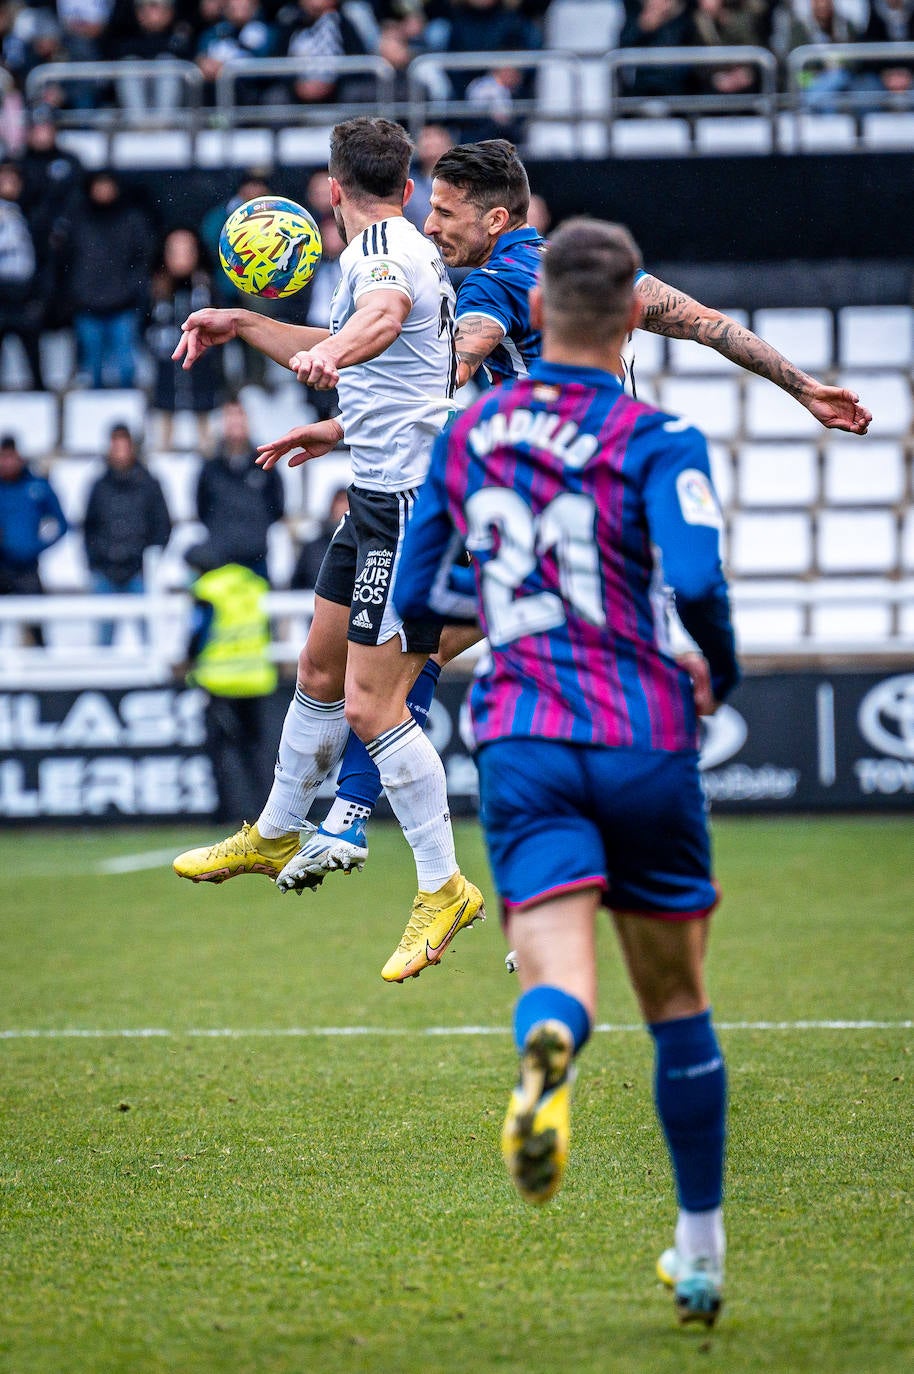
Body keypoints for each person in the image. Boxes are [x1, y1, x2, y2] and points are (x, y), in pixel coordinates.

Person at [261, 136, 871, 893]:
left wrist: (341, 419)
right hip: (617, 511)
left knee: (452, 676)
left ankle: (504, 864)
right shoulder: (588, 273)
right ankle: (353, 818)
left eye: (445, 214)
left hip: (558, 523)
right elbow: (708, 323)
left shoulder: (484, 291)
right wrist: (805, 387)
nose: (429, 228)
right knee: (424, 655)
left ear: (493, 219)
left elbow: (436, 384)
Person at [394, 216, 738, 1327]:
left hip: (524, 735)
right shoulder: (660, 435)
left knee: (555, 969)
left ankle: (549, 1042)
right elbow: (696, 580)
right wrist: (713, 676)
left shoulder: (473, 432)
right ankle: (697, 1256)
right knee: (678, 1003)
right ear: (631, 315)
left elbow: (417, 601)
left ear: (534, 317)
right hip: (640, 730)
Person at [170, 116, 485, 984]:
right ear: (409, 187)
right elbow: (347, 345)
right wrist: (244, 320)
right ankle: (275, 831)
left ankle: (443, 885)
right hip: (378, 494)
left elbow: (377, 324)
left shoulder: (381, 255)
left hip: (415, 511)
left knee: (371, 707)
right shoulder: (394, 245)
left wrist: (341, 349)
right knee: (316, 671)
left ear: (331, 192)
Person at [182, 539, 279, 822]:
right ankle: (267, 809)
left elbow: (198, 632)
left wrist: (188, 660)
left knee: (221, 752)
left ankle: (227, 811)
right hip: (256, 679)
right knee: (257, 751)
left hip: (220, 682)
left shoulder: (207, 590)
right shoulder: (250, 582)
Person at [82, 423, 172, 644]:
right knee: (104, 641)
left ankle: (152, 679)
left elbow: (163, 524)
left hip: (138, 570)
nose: (120, 452)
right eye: (116, 446)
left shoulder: (149, 483)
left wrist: (149, 556)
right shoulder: (99, 485)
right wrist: (96, 561)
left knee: (149, 640)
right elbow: (89, 527)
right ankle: (103, 678)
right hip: (105, 570)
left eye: (124, 445)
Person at [67, 170, 156, 389]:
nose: (103, 191)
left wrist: (133, 288)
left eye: (108, 185)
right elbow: (66, 261)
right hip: (87, 305)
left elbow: (145, 256)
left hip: (123, 304)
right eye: (99, 186)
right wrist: (77, 292)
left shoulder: (131, 218)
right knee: (92, 369)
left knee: (127, 367)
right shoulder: (77, 219)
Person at [146, 226, 223, 452]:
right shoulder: (154, 290)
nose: (181, 257)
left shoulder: (208, 287)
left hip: (205, 382)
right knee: (161, 451)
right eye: (175, 251)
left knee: (208, 448)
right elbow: (144, 328)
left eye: (186, 251)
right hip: (164, 382)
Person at [195, 397, 284, 580]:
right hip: (218, 561)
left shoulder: (264, 462)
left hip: (256, 560)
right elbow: (201, 507)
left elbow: (277, 506)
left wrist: (256, 533)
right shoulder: (210, 467)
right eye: (230, 416)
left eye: (239, 415)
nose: (235, 422)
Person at [0, 432, 67, 645]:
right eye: (3, 457)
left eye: (11, 456)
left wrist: (37, 546)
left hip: (28, 569)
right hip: (1, 567)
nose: (7, 462)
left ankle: (41, 673)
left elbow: (61, 523)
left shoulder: (36, 486)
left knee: (36, 631)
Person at [290, 485, 349, 592]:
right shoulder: (312, 548)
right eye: (341, 501)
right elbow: (297, 586)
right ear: (332, 506)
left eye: (349, 503)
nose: (345, 508)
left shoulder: (363, 548)